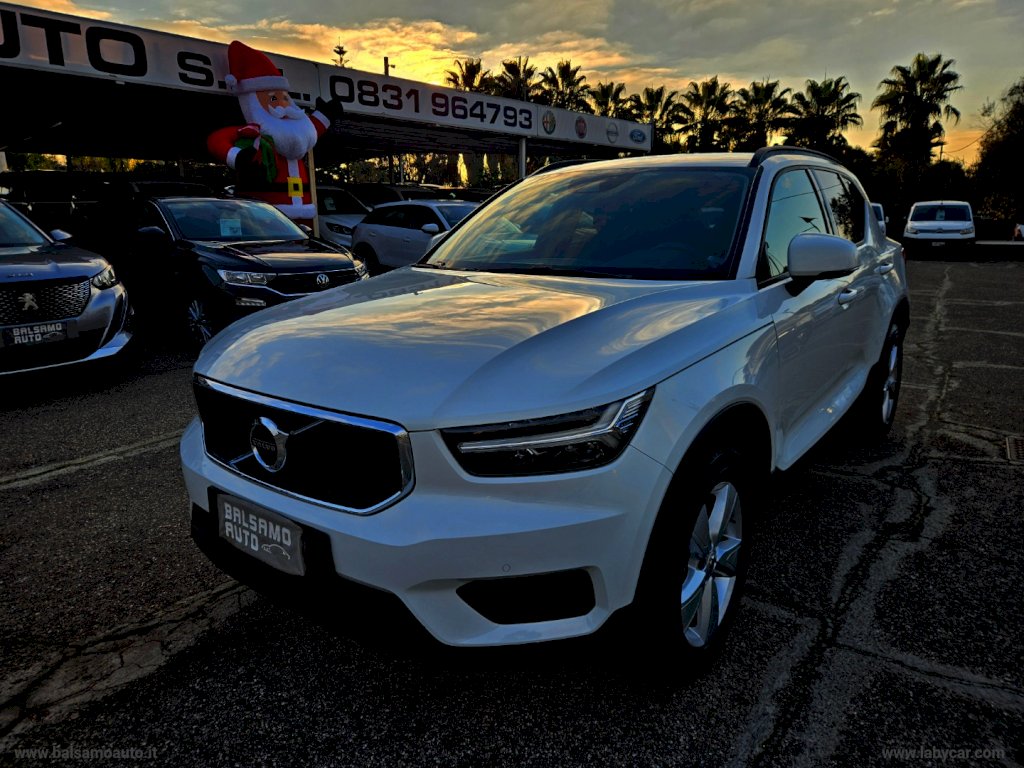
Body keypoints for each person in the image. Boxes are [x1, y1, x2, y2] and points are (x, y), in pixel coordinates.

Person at [207, 41, 343, 225]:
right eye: (273, 98)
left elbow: (309, 131)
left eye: (285, 98)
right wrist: (238, 157)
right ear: (253, 103)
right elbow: (216, 140)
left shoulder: (297, 129)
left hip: (304, 214)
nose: (283, 105)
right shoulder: (253, 134)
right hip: (265, 216)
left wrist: (325, 115)